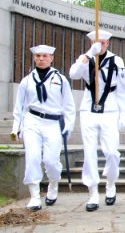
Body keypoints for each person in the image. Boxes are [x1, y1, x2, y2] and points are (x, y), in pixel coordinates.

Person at [69, 30, 125, 212]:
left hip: (109, 109)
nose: (100, 45)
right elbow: (73, 74)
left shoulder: (117, 61)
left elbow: (122, 89)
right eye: (96, 42)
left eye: (102, 43)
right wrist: (88, 55)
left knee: (111, 152)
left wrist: (123, 112)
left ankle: (110, 183)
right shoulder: (85, 58)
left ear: (108, 43)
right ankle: (93, 191)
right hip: (89, 109)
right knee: (90, 152)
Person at [11, 45, 75, 211]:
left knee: (51, 161)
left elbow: (69, 106)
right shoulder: (27, 80)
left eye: (45, 56)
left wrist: (68, 126)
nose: (41, 59)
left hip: (53, 123)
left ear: (51, 58)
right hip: (32, 121)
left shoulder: (60, 79)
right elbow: (19, 107)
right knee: (32, 158)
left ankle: (53, 185)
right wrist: (16, 127)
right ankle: (34, 196)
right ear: (34, 58)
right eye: (38, 56)